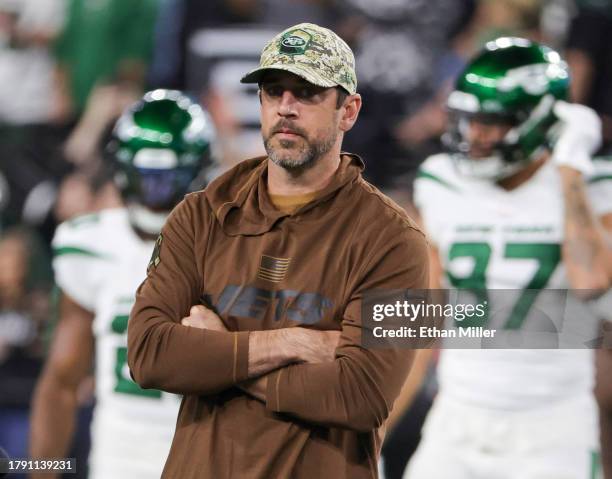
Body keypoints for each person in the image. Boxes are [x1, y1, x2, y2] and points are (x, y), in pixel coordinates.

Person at [127, 22, 430, 479]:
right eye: (273, 91)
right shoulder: (200, 214)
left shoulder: (396, 240)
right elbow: (149, 356)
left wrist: (220, 354)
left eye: (306, 93)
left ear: (348, 111)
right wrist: (289, 343)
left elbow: (362, 396)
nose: (286, 108)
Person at [403, 37, 612, 478]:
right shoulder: (440, 181)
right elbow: (427, 314)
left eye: (490, 123)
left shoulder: (596, 182)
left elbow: (593, 281)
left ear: (539, 121)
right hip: (456, 418)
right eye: (468, 120)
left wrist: (571, 171)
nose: (474, 135)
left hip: (551, 427)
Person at [29, 89, 216, 478]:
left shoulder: (235, 247)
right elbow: (62, 382)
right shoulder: (90, 245)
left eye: (169, 180)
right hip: (119, 462)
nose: (155, 196)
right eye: (146, 179)